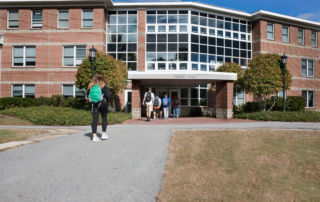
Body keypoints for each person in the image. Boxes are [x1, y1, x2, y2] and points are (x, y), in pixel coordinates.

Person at [86, 73, 110, 142]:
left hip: (94, 104)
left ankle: (94, 136)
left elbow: (87, 96)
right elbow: (108, 96)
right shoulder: (104, 85)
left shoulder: (91, 85)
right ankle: (103, 134)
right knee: (104, 118)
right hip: (103, 104)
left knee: (95, 120)